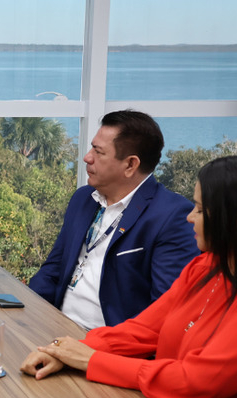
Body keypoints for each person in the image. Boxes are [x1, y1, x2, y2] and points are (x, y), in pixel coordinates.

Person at [21, 155, 237, 398]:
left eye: (200, 209)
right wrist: (67, 351)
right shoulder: (204, 267)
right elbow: (144, 330)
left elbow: (195, 380)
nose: (190, 217)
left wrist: (92, 360)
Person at [28, 110, 200, 328]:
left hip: (109, 340)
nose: (87, 157)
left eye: (98, 152)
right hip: (56, 326)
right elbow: (53, 270)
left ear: (130, 165)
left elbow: (163, 313)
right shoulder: (83, 198)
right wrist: (26, 313)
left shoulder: (172, 217)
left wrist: (95, 345)